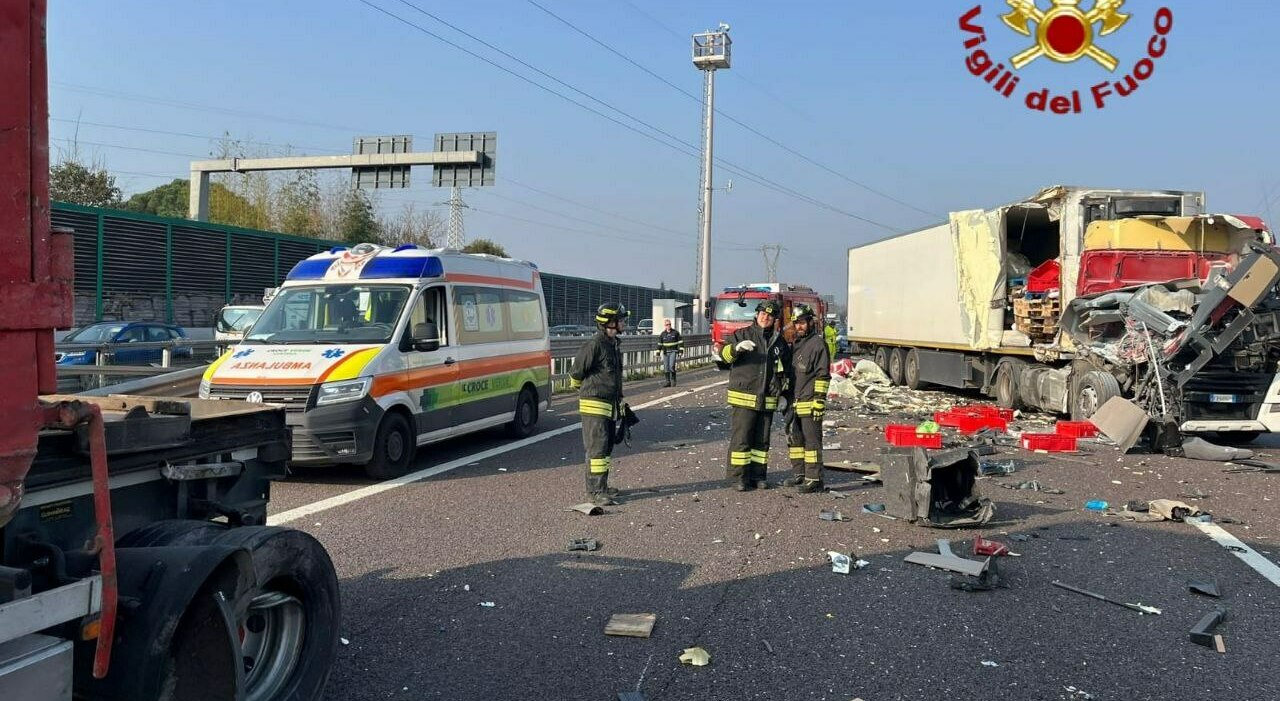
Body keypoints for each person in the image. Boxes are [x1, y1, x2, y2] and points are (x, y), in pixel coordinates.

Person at [720, 299, 792, 491]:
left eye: (769, 316)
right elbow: (722, 358)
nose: (765, 318)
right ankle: (738, 478)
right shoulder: (742, 334)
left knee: (762, 441)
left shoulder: (779, 342)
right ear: (756, 315)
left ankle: (758, 476)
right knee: (742, 439)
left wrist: (783, 391)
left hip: (768, 398)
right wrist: (736, 349)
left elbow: (786, 370)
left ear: (775, 320)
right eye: (762, 314)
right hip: (744, 396)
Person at [570, 303, 628, 506]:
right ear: (609, 323)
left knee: (606, 447)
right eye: (620, 320)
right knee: (597, 449)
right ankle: (595, 491)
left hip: (609, 405)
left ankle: (602, 486)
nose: (623, 323)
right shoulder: (595, 345)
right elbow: (576, 373)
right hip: (595, 405)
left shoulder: (613, 344)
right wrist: (587, 392)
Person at [784, 304, 831, 493]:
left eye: (802, 323)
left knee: (812, 442)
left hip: (810, 402)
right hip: (794, 403)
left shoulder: (818, 344)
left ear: (811, 322)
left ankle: (814, 479)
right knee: (795, 441)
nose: (799, 327)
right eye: (796, 323)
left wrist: (819, 400)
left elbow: (823, 375)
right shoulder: (796, 344)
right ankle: (800, 474)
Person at [657, 319, 684, 387]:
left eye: (669, 324)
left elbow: (681, 342)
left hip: (673, 351)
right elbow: (660, 344)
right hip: (665, 352)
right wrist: (658, 353)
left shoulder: (675, 333)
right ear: (665, 326)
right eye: (667, 325)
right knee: (666, 367)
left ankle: (673, 380)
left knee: (671, 366)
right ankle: (668, 382)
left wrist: (681, 351)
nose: (668, 326)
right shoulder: (662, 334)